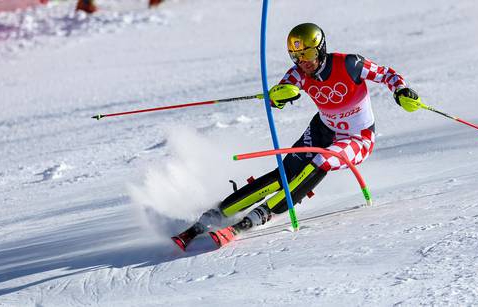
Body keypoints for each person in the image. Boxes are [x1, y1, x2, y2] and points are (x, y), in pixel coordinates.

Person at [172, 23, 422, 250]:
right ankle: (217, 214)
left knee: (323, 160)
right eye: (297, 57)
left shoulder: (350, 64)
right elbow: (279, 94)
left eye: (309, 54)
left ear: (321, 49)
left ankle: (264, 213)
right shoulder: (298, 74)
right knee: (284, 173)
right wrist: (277, 97)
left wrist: (401, 91)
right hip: (323, 129)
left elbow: (387, 73)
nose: (305, 62)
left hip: (358, 137)